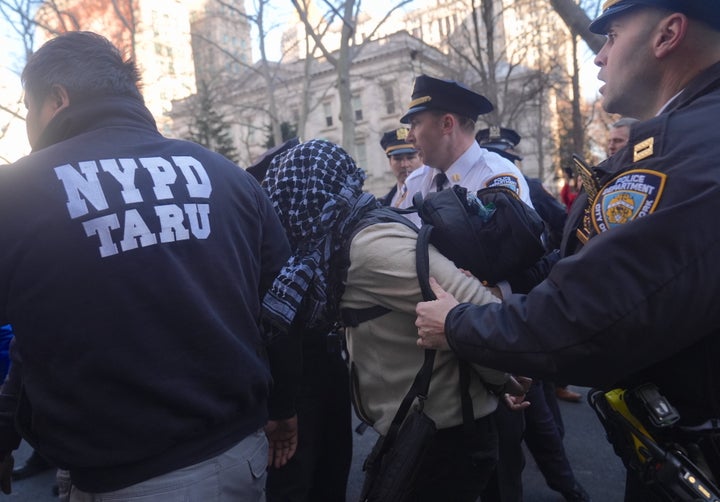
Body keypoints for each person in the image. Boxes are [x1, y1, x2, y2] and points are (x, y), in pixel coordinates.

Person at [415, 1, 720, 500]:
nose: (599, 57)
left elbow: (591, 313)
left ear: (668, 35)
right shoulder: (688, 139)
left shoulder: (690, 152)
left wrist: (458, 324)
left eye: (613, 35)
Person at [0, 31, 299, 500]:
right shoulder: (228, 177)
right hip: (240, 458)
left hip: (125, 479)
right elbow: (284, 310)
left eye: (27, 107)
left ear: (56, 99)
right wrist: (284, 406)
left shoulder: (17, 195)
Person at [261, 138, 528, 502]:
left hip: (443, 434)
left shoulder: (368, 244)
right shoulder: (340, 239)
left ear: (308, 191)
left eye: (286, 195)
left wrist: (503, 383)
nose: (281, 207)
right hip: (420, 427)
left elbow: (475, 303)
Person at [476, 127, 590, 502]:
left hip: (530, 310)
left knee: (540, 415)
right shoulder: (469, 194)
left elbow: (565, 236)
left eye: (505, 160)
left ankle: (567, 484)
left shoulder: (532, 189)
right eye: (493, 158)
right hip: (490, 320)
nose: (499, 167)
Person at [397, 75, 533, 227]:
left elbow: (517, 248)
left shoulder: (494, 179)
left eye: (415, 124)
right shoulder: (415, 182)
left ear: (447, 124)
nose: (408, 137)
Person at [378, 127, 423, 207]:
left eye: (410, 157)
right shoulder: (384, 203)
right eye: (398, 159)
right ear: (390, 162)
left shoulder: (434, 192)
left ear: (421, 158)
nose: (405, 165)